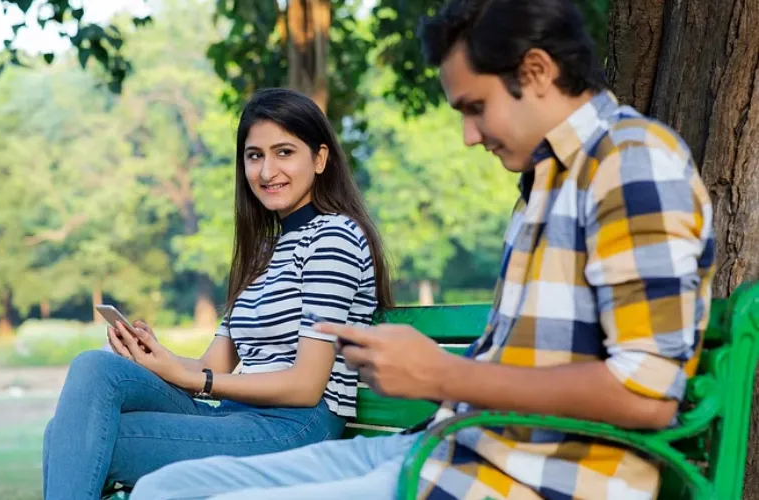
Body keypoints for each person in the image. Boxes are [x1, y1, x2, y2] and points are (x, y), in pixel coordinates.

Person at [129, 0, 716, 499]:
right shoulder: (548, 182)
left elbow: (646, 395)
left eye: (475, 108)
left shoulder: (631, 163)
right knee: (166, 489)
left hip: (531, 477)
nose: (467, 135)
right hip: (451, 450)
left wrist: (443, 375)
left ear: (536, 72)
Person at [41, 88, 393, 500]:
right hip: (236, 418)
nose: (266, 171)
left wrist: (200, 380)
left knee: (78, 440)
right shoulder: (264, 250)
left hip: (295, 427)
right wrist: (157, 358)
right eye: (254, 155)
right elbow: (212, 364)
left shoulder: (335, 237)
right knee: (95, 368)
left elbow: (306, 385)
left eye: (284, 152)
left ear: (319, 158)